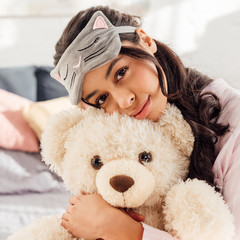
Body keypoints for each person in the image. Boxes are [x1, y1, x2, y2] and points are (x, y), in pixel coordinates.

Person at [50, 5, 240, 240]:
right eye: (102, 98)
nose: (124, 101)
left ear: (146, 40)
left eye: (121, 72)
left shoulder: (234, 127)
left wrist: (124, 231)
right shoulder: (129, 138)